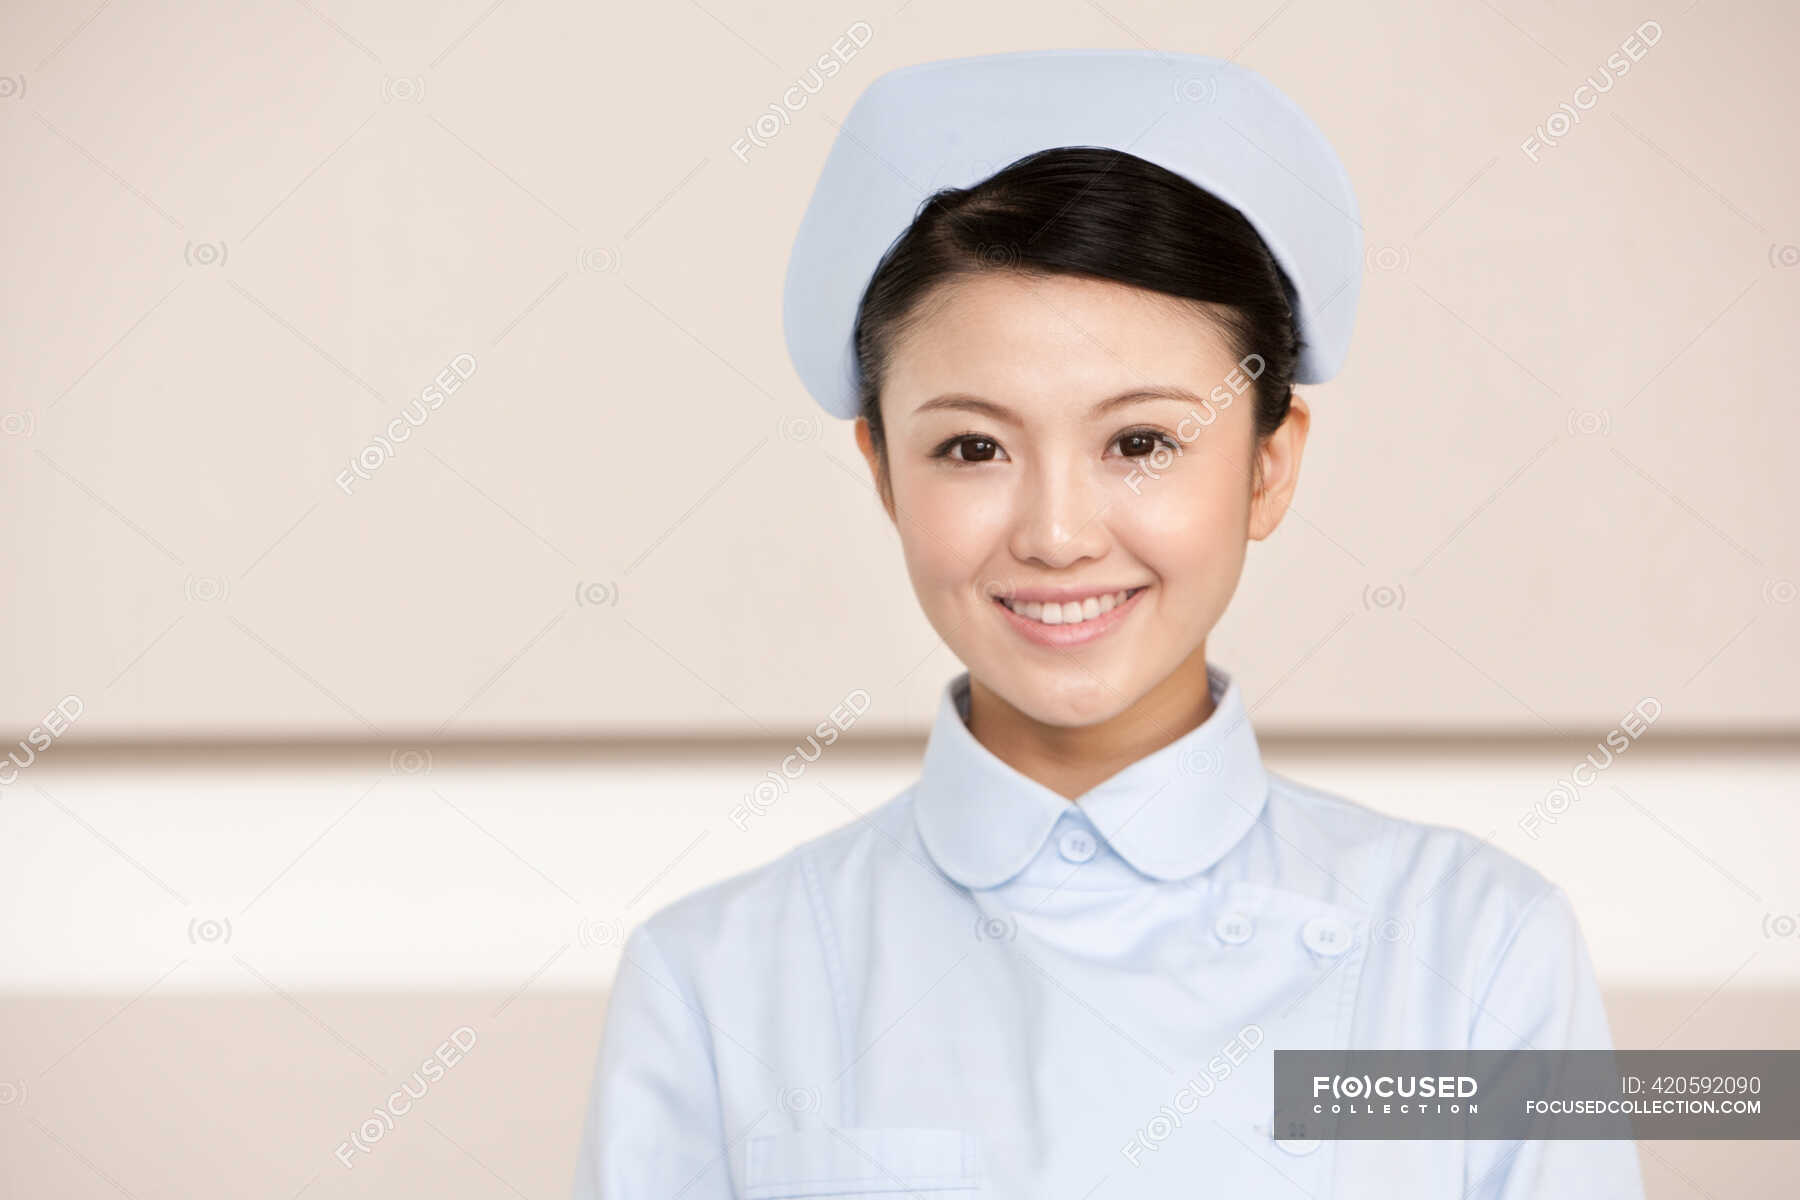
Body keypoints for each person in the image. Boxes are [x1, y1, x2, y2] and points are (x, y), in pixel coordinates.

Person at [572, 48, 1645, 1198]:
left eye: (1141, 443)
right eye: (972, 448)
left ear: (1269, 467)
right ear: (883, 472)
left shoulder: (1476, 954)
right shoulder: (715, 986)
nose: (1057, 533)